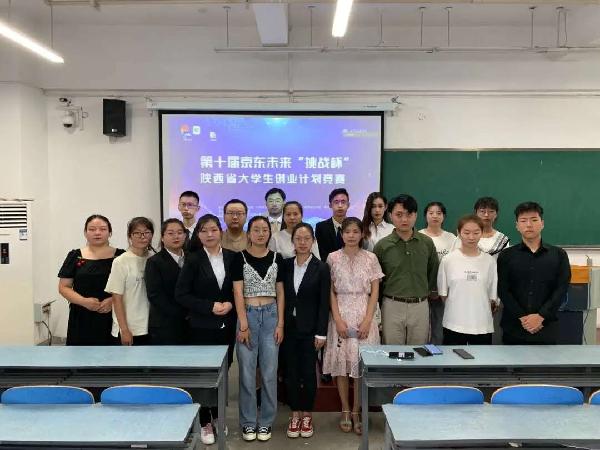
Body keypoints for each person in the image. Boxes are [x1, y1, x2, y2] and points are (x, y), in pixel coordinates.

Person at [176, 214, 237, 445]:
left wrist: (230, 303)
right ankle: (204, 420)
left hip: (226, 326)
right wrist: (209, 306)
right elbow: (181, 294)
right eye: (204, 231)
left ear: (220, 231)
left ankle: (219, 415)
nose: (209, 234)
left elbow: (238, 289)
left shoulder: (232, 257)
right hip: (201, 326)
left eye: (213, 229)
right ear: (198, 235)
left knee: (223, 371)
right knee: (203, 374)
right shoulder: (192, 259)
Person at [323, 217, 383, 436]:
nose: (351, 235)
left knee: (359, 367)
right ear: (342, 234)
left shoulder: (371, 258)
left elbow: (375, 291)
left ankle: (357, 411)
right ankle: (345, 410)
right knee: (342, 367)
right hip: (340, 314)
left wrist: (368, 320)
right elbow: (330, 290)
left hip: (364, 313)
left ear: (362, 234)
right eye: (347, 231)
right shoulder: (332, 258)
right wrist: (338, 319)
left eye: (355, 231)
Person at [233, 216, 285, 443]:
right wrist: (243, 323)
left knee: (269, 372)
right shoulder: (239, 258)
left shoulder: (277, 258)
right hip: (248, 317)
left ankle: (266, 421)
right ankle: (247, 422)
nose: (261, 233)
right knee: (246, 373)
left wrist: (280, 323)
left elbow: (280, 292)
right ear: (249, 233)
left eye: (265, 229)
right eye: (256, 229)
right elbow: (237, 292)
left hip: (271, 317)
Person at [281, 222, 330, 439]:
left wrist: (321, 333)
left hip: (311, 330)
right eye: (298, 239)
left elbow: (324, 303)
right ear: (292, 241)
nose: (302, 242)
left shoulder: (322, 268)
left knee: (309, 373)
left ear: (313, 241)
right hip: (288, 328)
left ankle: (307, 414)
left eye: (306, 239)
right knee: (290, 373)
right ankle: (295, 414)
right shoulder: (285, 265)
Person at [498, 202, 570, 345]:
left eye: (534, 220)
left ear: (542, 223)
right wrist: (523, 317)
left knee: (546, 361)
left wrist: (541, 316)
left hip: (546, 326)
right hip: (514, 327)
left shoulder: (559, 255)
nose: (529, 225)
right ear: (517, 225)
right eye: (523, 221)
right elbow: (503, 290)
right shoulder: (506, 256)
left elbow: (561, 289)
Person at [374, 195, 439, 345]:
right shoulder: (382, 246)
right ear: (390, 215)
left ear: (416, 215)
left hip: (420, 305)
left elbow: (432, 272)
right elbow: (377, 280)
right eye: (399, 215)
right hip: (392, 305)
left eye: (409, 214)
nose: (404, 219)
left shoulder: (427, 243)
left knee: (419, 350)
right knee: (392, 351)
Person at [58, 214, 125, 345]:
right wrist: (84, 301)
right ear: (85, 233)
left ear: (110, 232)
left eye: (103, 229)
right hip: (81, 316)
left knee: (114, 355)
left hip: (114, 315)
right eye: (92, 229)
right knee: (80, 355)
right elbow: (63, 287)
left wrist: (113, 301)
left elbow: (131, 287)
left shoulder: (121, 256)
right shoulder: (75, 256)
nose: (97, 233)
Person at [437, 215, 498, 345]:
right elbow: (443, 294)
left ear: (482, 233)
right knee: (452, 357)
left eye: (476, 233)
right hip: (454, 323)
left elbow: (492, 296)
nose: (471, 237)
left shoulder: (489, 261)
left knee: (482, 357)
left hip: (482, 324)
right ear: (458, 233)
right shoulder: (448, 260)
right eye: (466, 232)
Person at [105, 217, 154, 346]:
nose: (142, 236)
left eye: (147, 232)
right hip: (130, 329)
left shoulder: (154, 258)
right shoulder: (121, 261)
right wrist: (124, 329)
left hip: (151, 326)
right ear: (129, 236)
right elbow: (116, 298)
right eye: (137, 233)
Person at [144, 219, 187, 345]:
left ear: (185, 236)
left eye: (180, 232)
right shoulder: (154, 262)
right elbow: (154, 295)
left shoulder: (192, 258)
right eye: (170, 233)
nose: (176, 236)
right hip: (165, 324)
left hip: (191, 324)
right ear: (162, 237)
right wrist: (183, 313)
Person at [419, 201, 456, 345]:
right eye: (431, 213)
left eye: (439, 213)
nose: (435, 216)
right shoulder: (418, 236)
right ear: (425, 216)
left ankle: (438, 355)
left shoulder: (452, 238)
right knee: (422, 329)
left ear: (444, 216)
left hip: (445, 291)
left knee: (439, 328)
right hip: (422, 289)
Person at [315, 188, 350, 263]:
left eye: (343, 202)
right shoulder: (321, 227)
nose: (340, 206)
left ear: (348, 205)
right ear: (330, 205)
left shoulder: (355, 226)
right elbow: (320, 253)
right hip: (328, 267)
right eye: (336, 202)